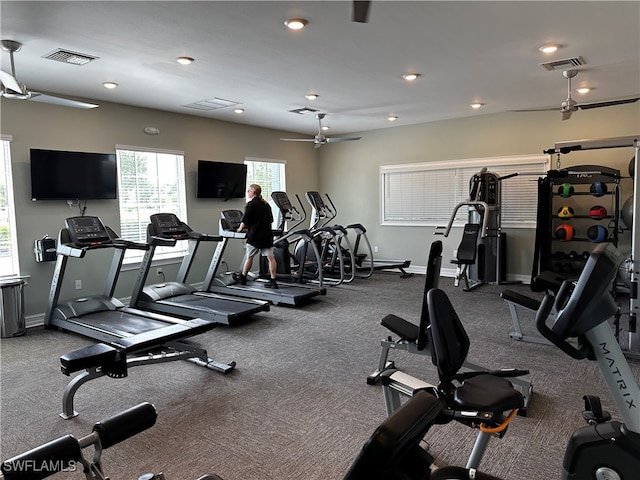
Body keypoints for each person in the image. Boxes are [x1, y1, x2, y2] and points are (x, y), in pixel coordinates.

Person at [236, 183, 279, 288]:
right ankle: (273, 281)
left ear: (253, 193)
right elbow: (270, 220)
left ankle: (243, 278)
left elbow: (245, 220)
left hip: (255, 236)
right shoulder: (266, 204)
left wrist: (240, 229)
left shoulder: (251, 204)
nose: (248, 193)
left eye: (249, 191)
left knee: (249, 257)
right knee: (271, 258)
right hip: (267, 235)